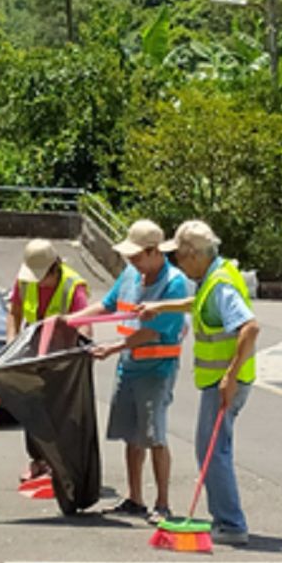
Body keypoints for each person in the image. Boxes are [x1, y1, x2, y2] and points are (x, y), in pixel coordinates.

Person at [137, 220, 259, 546]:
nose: (177, 263)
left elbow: (250, 327)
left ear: (193, 254)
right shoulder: (211, 279)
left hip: (224, 382)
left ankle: (231, 525)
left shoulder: (219, 283)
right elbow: (199, 304)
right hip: (220, 380)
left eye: (178, 256)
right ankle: (225, 520)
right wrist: (162, 306)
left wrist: (230, 377)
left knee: (212, 449)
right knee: (212, 447)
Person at [71, 219, 190, 524]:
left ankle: (162, 503)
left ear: (154, 251)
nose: (132, 262)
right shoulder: (130, 274)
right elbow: (108, 305)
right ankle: (134, 498)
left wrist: (112, 348)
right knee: (131, 436)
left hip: (157, 370)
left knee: (155, 435)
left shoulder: (174, 283)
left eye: (137, 256)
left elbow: (151, 332)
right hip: (130, 366)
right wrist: (70, 319)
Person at [5, 238, 91, 481]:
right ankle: (38, 461)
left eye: (42, 275)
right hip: (32, 351)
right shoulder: (24, 280)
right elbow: (15, 312)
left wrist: (80, 353)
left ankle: (59, 463)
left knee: (60, 412)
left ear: (55, 269)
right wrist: (12, 344)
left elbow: (84, 323)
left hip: (62, 354)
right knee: (32, 407)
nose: (37, 281)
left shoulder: (72, 285)